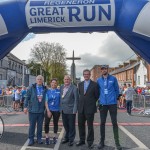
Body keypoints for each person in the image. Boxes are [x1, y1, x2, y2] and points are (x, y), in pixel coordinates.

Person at [97, 65, 122, 150]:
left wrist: (116, 99)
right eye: (102, 69)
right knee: (102, 123)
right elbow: (97, 91)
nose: (104, 70)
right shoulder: (98, 80)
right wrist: (98, 101)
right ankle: (102, 142)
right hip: (103, 104)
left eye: (105, 69)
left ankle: (117, 142)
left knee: (114, 123)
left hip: (112, 104)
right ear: (101, 71)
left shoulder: (113, 78)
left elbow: (117, 89)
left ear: (107, 70)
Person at [76, 69, 99, 149]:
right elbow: (80, 95)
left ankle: (90, 142)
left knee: (90, 126)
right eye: (85, 74)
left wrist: (90, 102)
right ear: (83, 75)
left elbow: (97, 96)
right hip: (81, 108)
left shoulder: (95, 85)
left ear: (90, 75)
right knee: (80, 125)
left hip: (90, 108)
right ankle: (82, 140)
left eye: (87, 74)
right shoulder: (80, 84)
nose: (86, 75)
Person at [24, 75, 47, 146]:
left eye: (41, 79)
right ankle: (31, 139)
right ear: (36, 80)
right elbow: (27, 98)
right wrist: (25, 107)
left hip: (41, 111)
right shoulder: (31, 88)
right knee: (32, 126)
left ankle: (39, 138)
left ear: (42, 81)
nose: (39, 80)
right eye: (38, 79)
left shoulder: (45, 89)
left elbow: (47, 99)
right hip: (32, 111)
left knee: (40, 126)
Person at [60, 75, 78, 146]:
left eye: (68, 79)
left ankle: (71, 139)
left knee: (71, 126)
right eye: (65, 79)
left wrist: (75, 110)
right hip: (63, 110)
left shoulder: (74, 88)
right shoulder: (61, 87)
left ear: (70, 80)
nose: (66, 81)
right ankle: (67, 137)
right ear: (63, 80)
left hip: (71, 110)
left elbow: (76, 100)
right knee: (65, 125)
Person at [44, 79, 60, 145]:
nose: (54, 84)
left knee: (55, 123)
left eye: (55, 83)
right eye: (52, 82)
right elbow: (46, 102)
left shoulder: (59, 91)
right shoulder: (47, 91)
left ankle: (54, 137)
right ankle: (47, 137)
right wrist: (48, 110)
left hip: (57, 110)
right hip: (49, 109)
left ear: (56, 84)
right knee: (46, 123)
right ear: (50, 83)